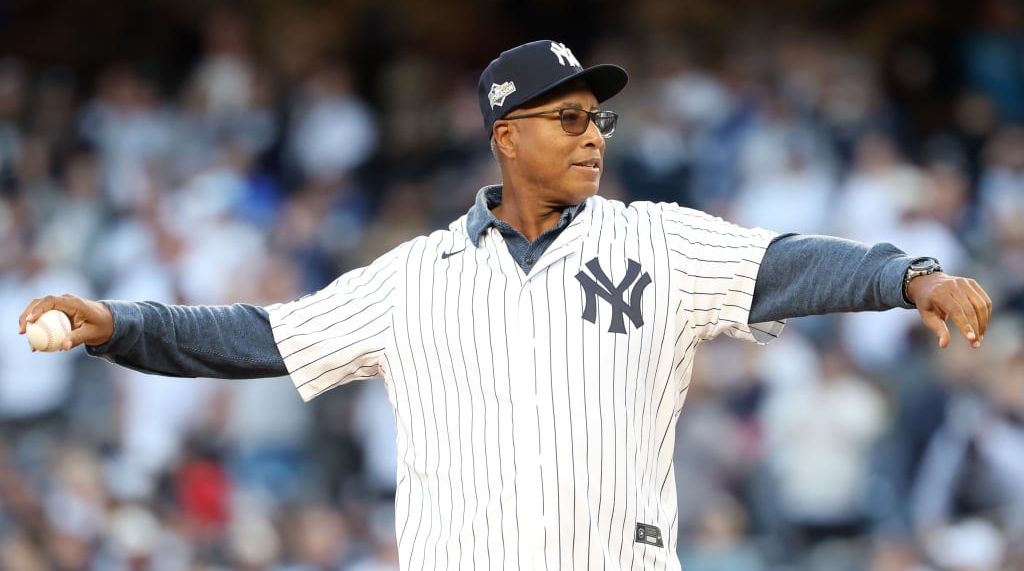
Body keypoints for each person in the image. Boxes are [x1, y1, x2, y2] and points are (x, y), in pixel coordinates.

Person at [19, 40, 992, 570]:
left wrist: (907, 276)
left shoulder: (653, 237)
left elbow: (787, 263)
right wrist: (121, 324)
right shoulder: (415, 276)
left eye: (596, 116)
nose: (591, 135)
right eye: (564, 117)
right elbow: (258, 336)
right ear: (503, 134)